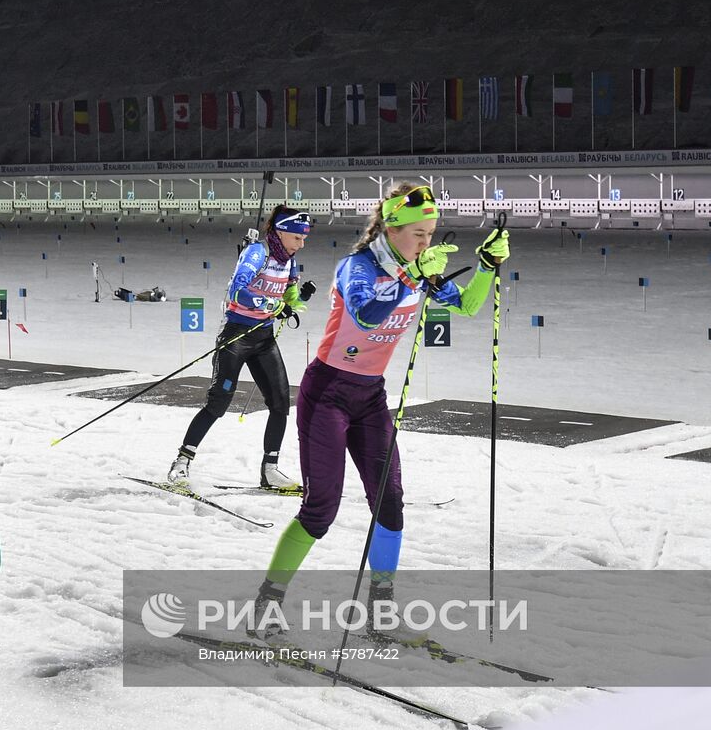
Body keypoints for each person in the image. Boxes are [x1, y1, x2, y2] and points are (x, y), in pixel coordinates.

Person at [249, 183, 509, 638]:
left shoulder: (419, 267)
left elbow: (467, 306)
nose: (427, 242)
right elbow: (367, 313)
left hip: (370, 398)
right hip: (327, 393)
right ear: (390, 228)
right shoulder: (358, 266)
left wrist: (486, 267)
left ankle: (380, 609)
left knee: (390, 504)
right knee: (320, 510)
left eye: (431, 233)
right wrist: (412, 276)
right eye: (418, 234)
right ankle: (266, 604)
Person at [166, 206, 314, 491]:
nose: (301, 244)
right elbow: (238, 291)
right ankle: (181, 463)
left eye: (304, 238)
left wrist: (296, 299)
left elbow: (287, 294)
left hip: (263, 338)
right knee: (218, 403)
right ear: (280, 232)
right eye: (297, 237)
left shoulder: (289, 260)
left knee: (281, 404)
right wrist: (272, 305)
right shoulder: (257, 253)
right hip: (236, 336)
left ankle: (269, 471)